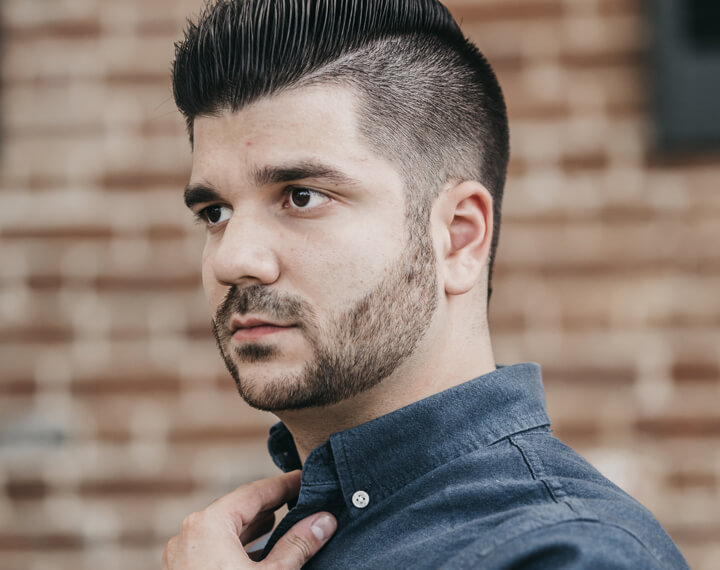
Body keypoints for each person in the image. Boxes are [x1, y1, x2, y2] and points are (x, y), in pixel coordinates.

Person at [163, 0, 690, 568]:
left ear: (459, 237)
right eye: (216, 212)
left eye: (302, 196)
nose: (232, 259)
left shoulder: (570, 555)